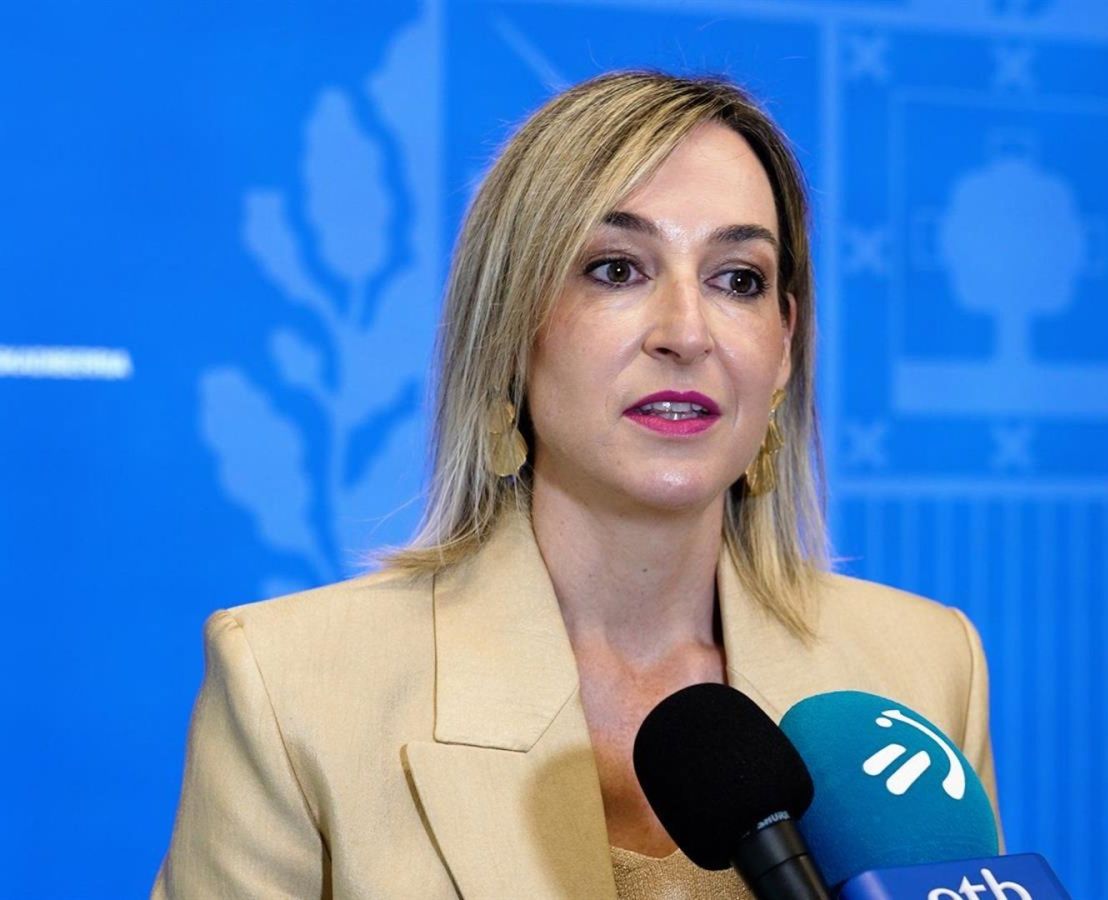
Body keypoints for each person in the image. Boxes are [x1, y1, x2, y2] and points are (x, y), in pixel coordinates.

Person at [152, 71, 1001, 899]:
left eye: (738, 279)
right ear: (510, 326)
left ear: (784, 345)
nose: (686, 333)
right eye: (616, 268)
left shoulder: (923, 670)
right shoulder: (291, 689)